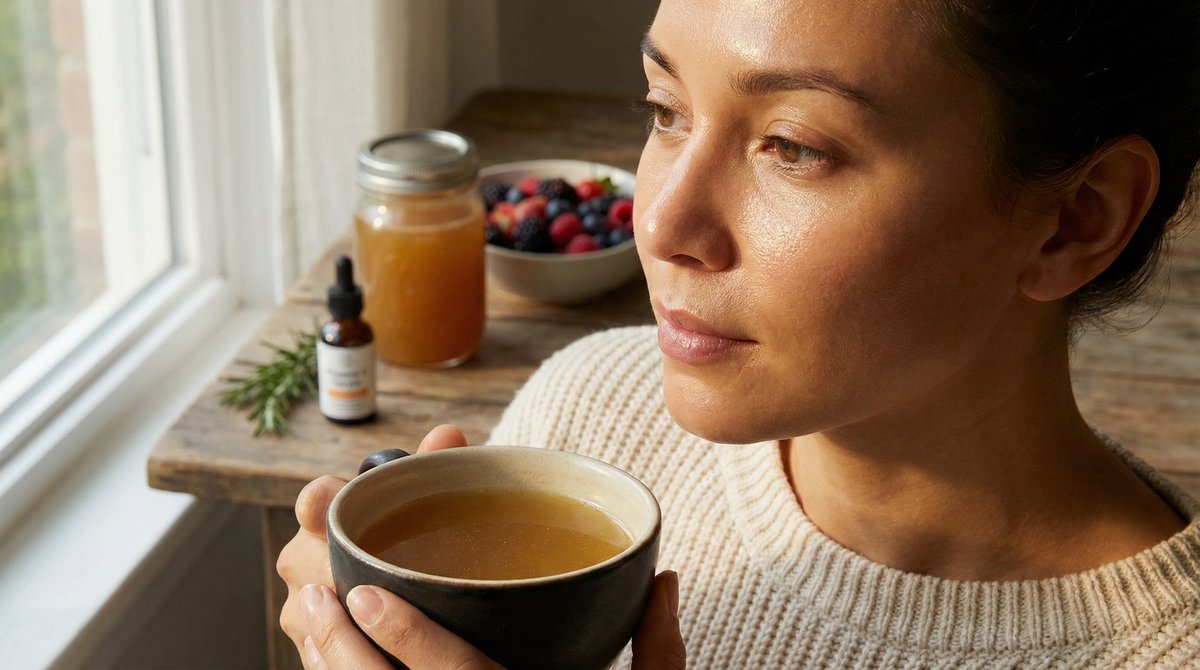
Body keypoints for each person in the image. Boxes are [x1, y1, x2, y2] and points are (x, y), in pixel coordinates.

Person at [276, 0, 1200, 666]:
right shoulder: (595, 411)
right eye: (665, 111)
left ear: (1077, 219)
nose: (662, 224)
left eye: (795, 145)